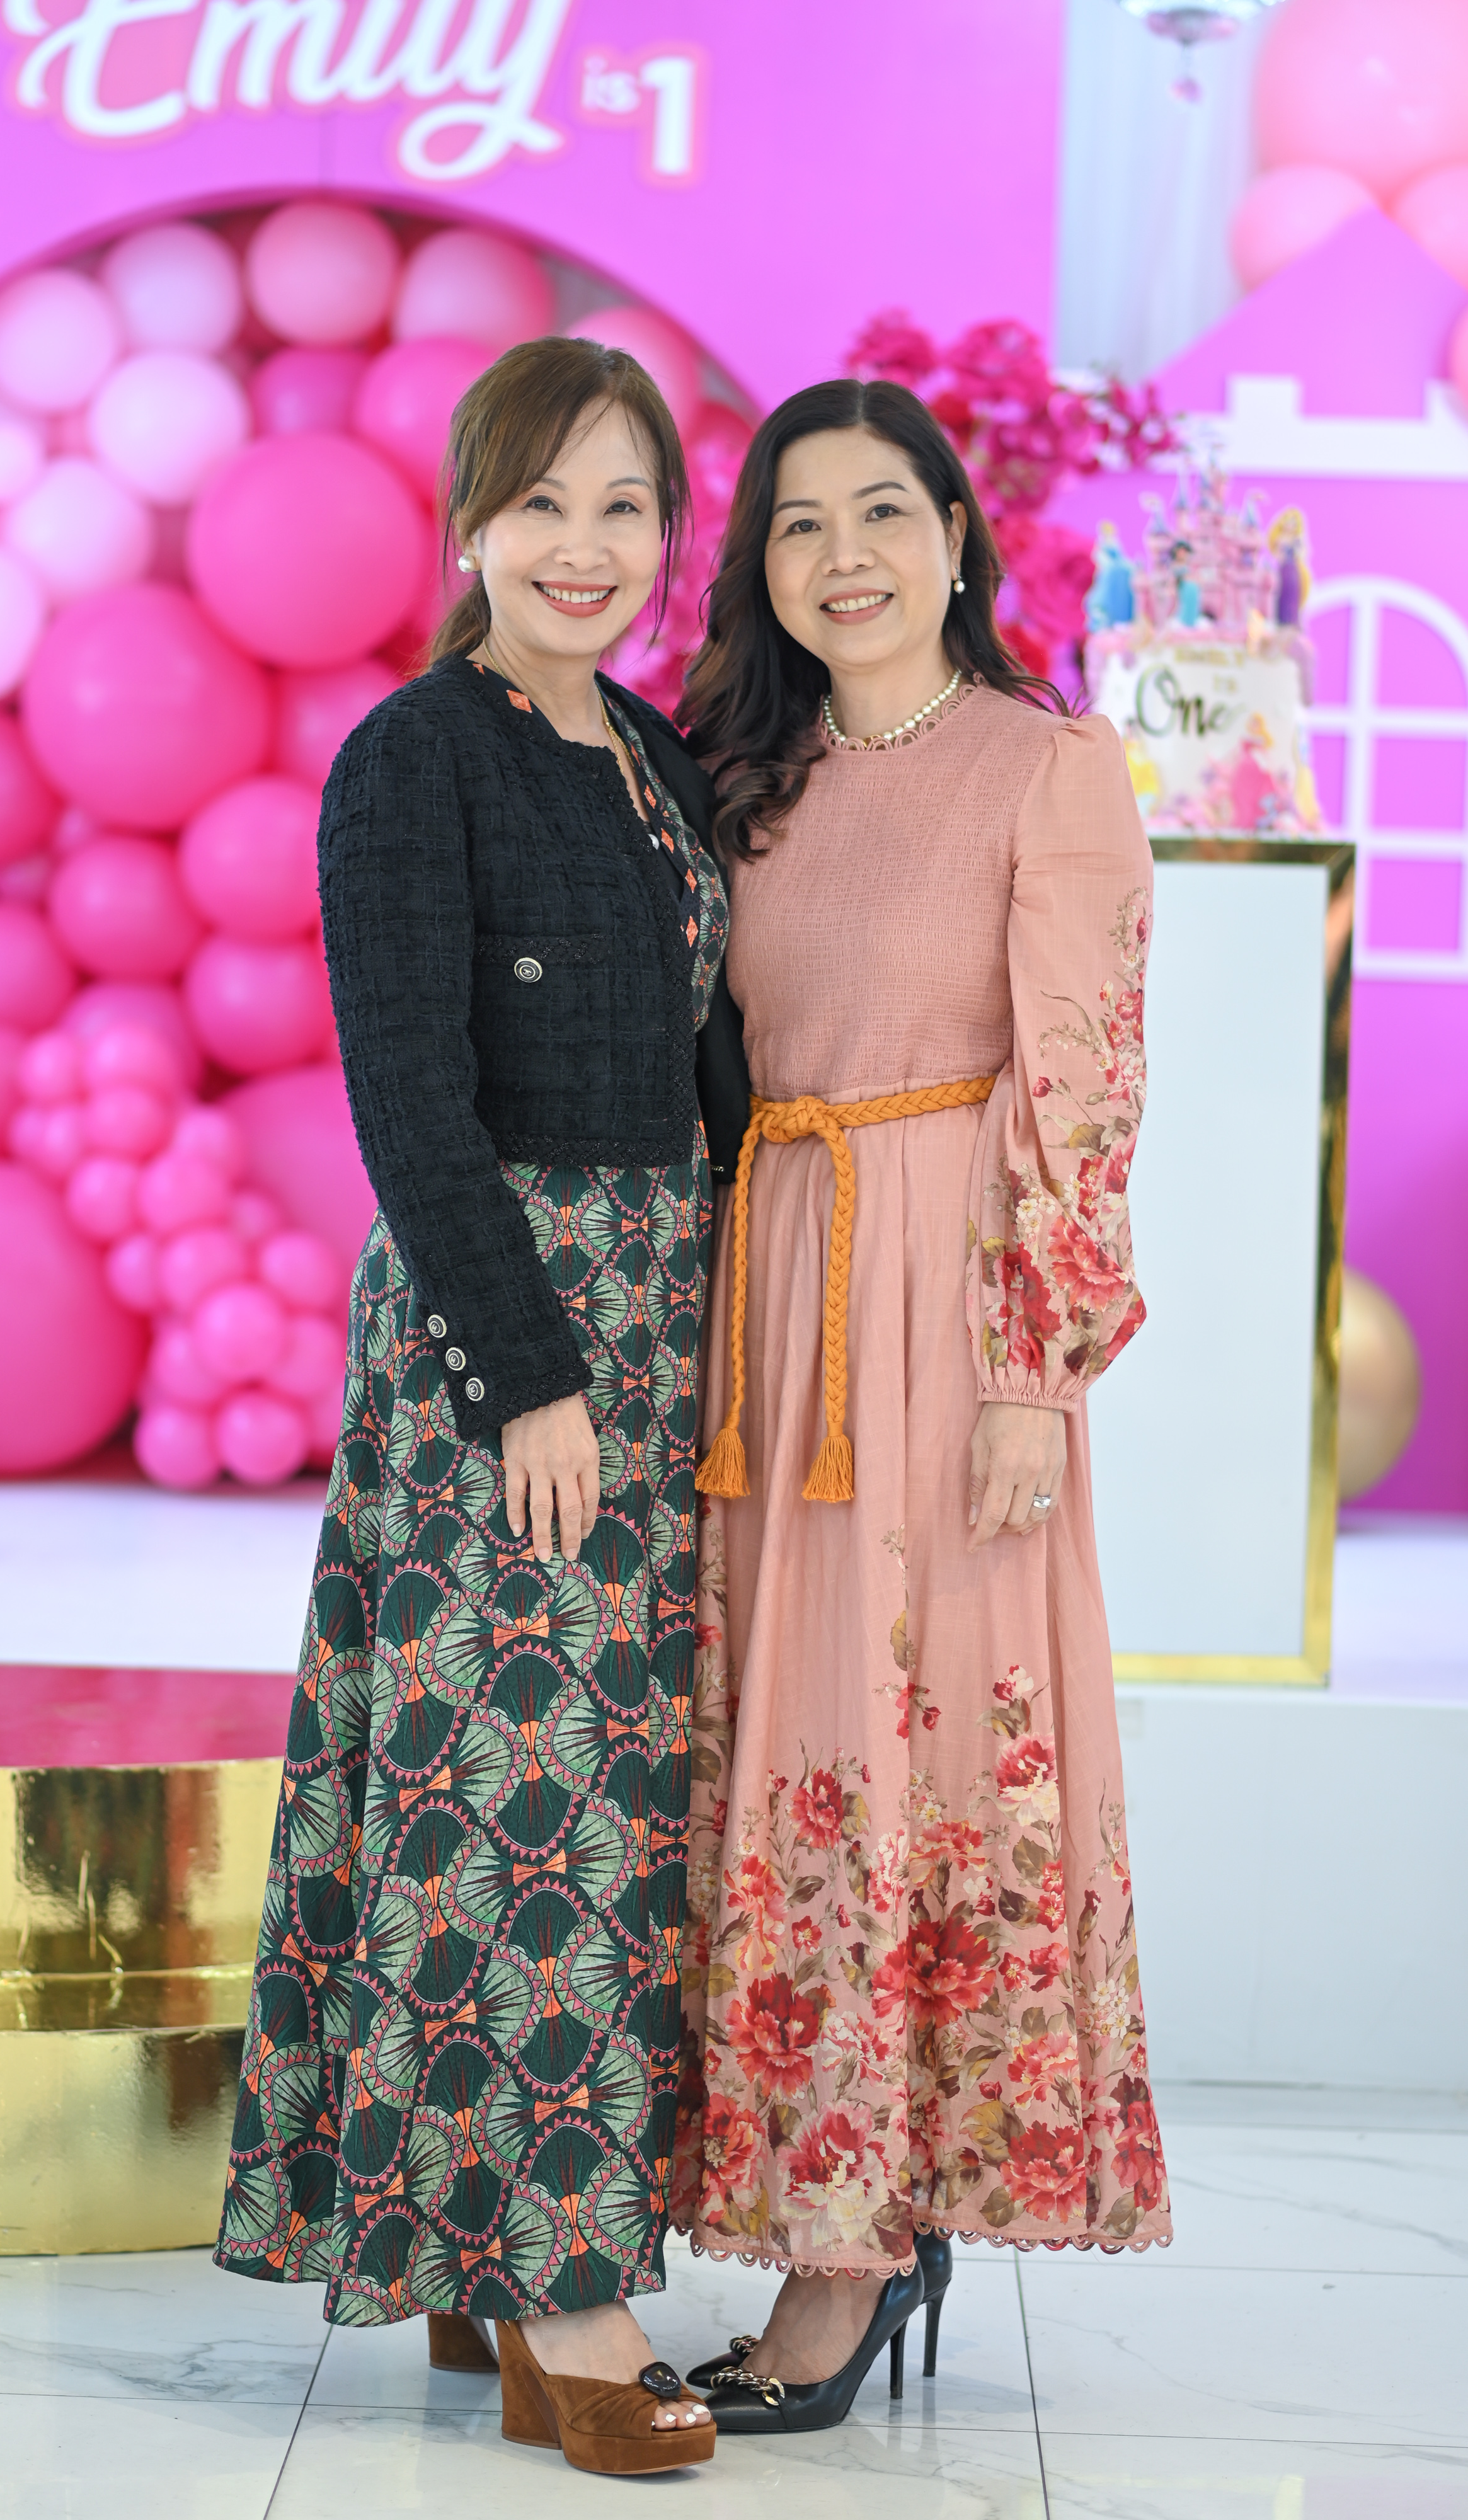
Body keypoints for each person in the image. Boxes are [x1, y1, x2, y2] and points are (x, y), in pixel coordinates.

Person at [214, 336, 752, 2478]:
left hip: (663, 1323)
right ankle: (570, 2312)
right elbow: (407, 1093)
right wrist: (528, 1375)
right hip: (504, 1336)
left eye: (627, 507)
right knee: (513, 1800)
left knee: (603, 1805)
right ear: (469, 522)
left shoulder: (652, 749)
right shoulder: (411, 754)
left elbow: (713, 1065)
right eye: (545, 503)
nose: (586, 548)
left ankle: (486, 2253)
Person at [670, 378, 1174, 2434]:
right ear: (764, 570)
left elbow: (1088, 1085)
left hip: (947, 1298)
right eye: (800, 526)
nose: (845, 558)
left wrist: (1034, 1374)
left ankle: (855, 2254)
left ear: (958, 538)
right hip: (774, 1287)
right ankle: (835, 2204)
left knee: (910, 1744)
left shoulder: (1048, 768)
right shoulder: (739, 778)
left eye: (884, 513)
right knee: (786, 1737)